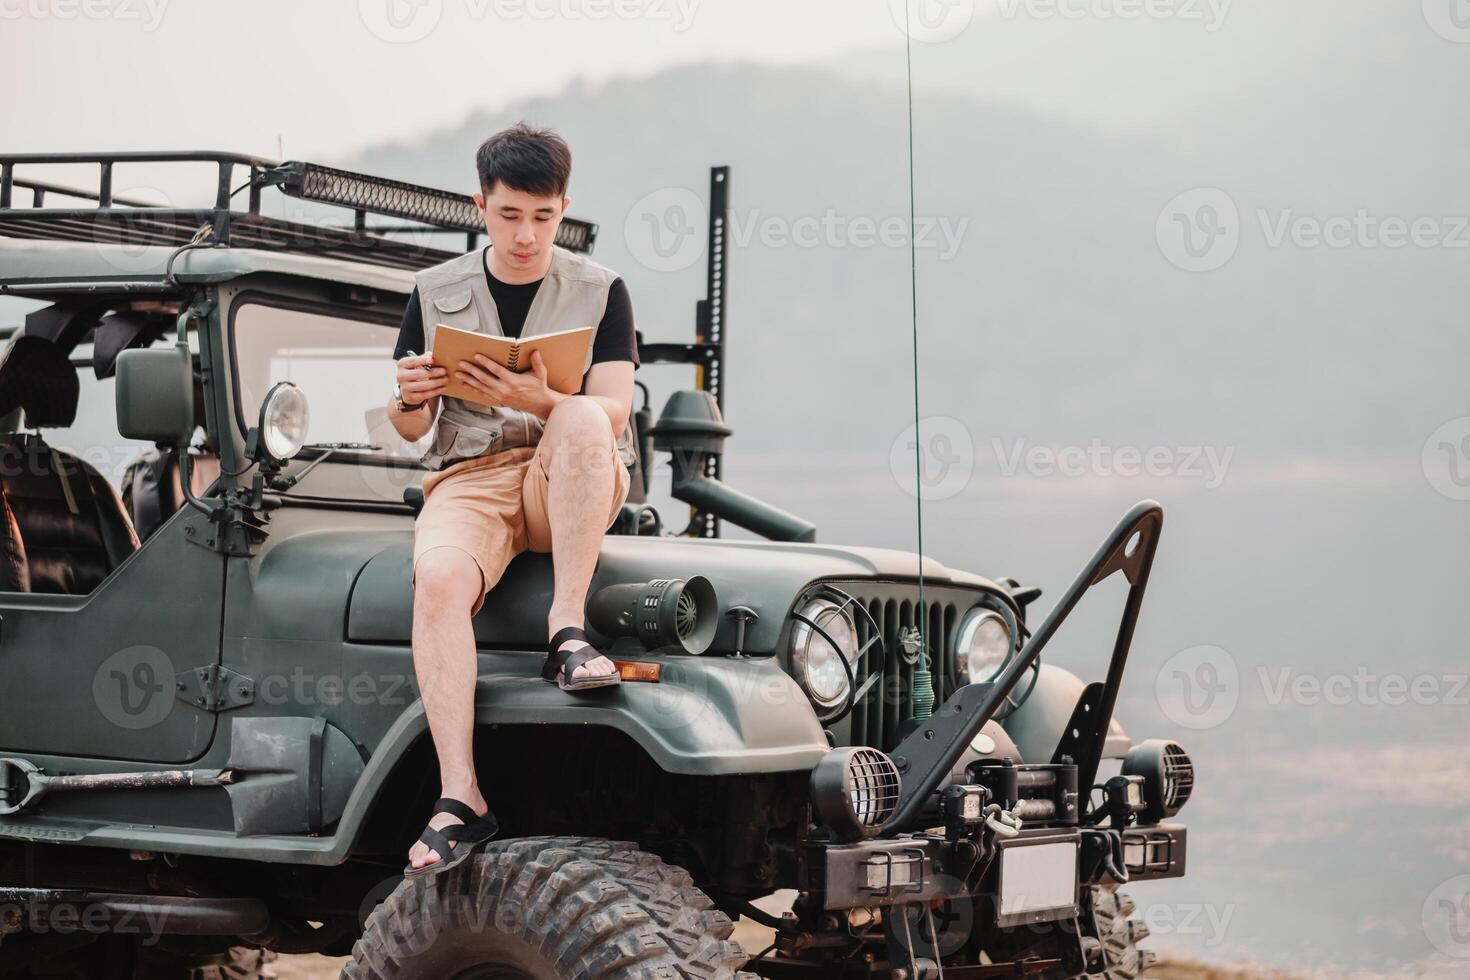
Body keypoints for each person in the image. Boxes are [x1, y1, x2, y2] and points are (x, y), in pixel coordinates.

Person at [386, 123, 640, 876]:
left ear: (563, 208)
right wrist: (407, 393)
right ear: (481, 205)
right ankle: (461, 795)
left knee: (587, 413)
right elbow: (409, 429)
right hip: (470, 478)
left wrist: (542, 398)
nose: (526, 235)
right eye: (509, 215)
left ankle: (567, 629)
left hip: (568, 466)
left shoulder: (602, 289)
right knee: (435, 582)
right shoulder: (434, 293)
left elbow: (616, 412)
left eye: (543, 216)